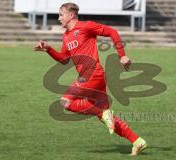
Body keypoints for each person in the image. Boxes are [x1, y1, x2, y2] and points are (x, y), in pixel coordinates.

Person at [34, 2, 147, 156]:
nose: (59, 18)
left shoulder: (86, 26)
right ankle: (137, 141)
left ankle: (101, 112)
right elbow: (64, 60)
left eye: (61, 15)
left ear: (71, 15)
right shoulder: (66, 36)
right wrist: (48, 49)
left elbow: (112, 32)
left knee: (65, 102)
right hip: (93, 77)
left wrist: (122, 55)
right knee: (108, 118)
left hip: (92, 74)